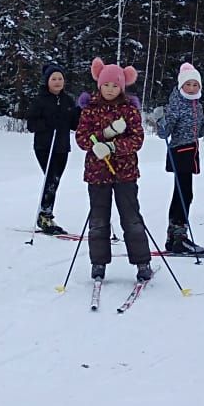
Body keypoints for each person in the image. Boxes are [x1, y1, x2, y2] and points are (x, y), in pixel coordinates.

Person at [74, 57, 150, 282]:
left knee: (131, 218)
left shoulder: (129, 109)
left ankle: (142, 261)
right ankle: (98, 263)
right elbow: (81, 136)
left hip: (125, 173)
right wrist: (94, 143)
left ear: (122, 86)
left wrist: (112, 146)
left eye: (115, 85)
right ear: (99, 83)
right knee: (98, 219)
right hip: (97, 174)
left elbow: (137, 139)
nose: (110, 89)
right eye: (106, 84)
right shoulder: (90, 109)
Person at [155, 62, 204, 253]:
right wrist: (160, 120)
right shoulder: (177, 105)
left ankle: (174, 236)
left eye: (195, 85)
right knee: (184, 194)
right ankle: (179, 236)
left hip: (191, 151)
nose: (191, 88)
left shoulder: (196, 105)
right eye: (188, 84)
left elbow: (198, 132)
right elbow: (165, 133)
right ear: (181, 86)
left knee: (182, 194)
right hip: (179, 152)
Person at [25, 63, 80, 234]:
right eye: (53, 79)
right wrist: (48, 123)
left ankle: (46, 215)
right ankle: (44, 216)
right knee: (52, 179)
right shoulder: (40, 100)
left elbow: (74, 125)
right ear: (47, 81)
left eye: (60, 78)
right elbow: (31, 124)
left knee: (55, 181)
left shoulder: (68, 100)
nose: (57, 82)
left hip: (62, 147)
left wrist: (79, 113)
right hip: (44, 146)